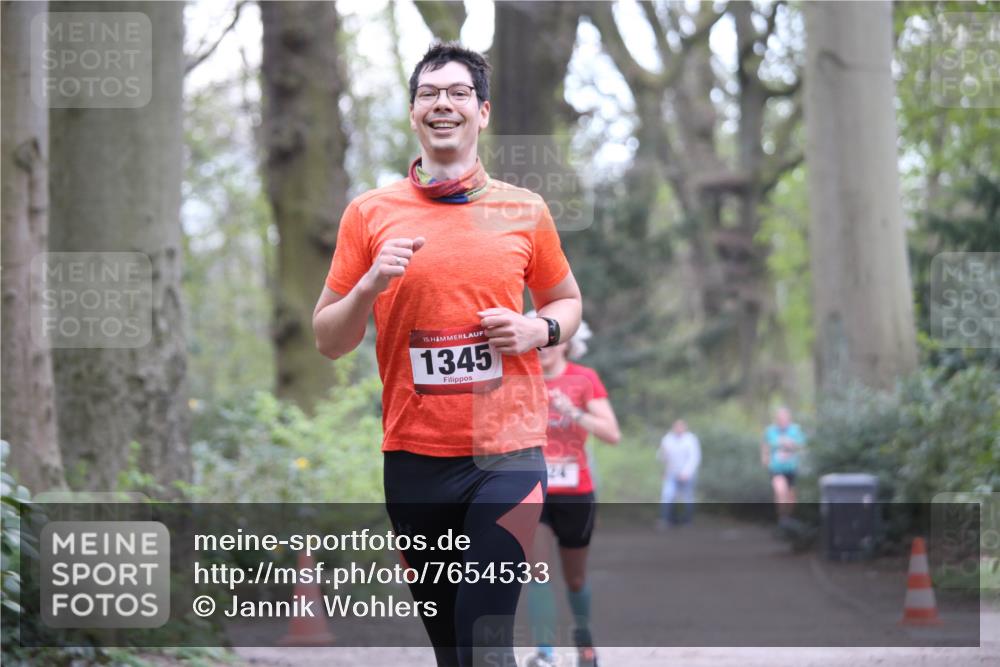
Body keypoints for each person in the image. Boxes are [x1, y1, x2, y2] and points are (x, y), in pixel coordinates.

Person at [312, 42, 582, 667]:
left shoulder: (524, 210)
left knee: (485, 641)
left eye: (459, 93)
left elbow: (566, 301)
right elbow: (329, 339)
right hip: (414, 461)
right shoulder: (369, 215)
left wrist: (535, 330)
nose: (444, 105)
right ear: (412, 114)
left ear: (482, 112)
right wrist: (368, 286)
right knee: (451, 651)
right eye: (429, 94)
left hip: (508, 456)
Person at [525, 318, 620, 667]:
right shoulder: (521, 378)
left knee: (575, 577)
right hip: (533, 489)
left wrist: (574, 412)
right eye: (538, 342)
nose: (544, 348)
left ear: (567, 342)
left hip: (576, 491)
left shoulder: (584, 379)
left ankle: (585, 644)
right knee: (537, 572)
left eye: (551, 341)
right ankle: (546, 653)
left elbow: (611, 433)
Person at [760, 407, 806, 526]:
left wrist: (791, 444)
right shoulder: (770, 431)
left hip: (791, 468)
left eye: (785, 418)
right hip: (776, 469)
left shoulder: (795, 430)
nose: (782, 420)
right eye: (780, 418)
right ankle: (782, 519)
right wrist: (765, 459)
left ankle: (789, 519)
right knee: (781, 491)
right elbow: (765, 445)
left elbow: (802, 446)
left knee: (791, 498)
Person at [656, 419, 701, 527]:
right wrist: (663, 456)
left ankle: (687, 520)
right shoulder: (667, 439)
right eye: (676, 427)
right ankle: (667, 519)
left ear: (685, 428)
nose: (678, 429)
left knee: (687, 497)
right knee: (668, 495)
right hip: (671, 472)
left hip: (687, 473)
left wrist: (686, 472)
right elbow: (661, 457)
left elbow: (694, 457)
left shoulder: (690, 439)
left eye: (681, 427)